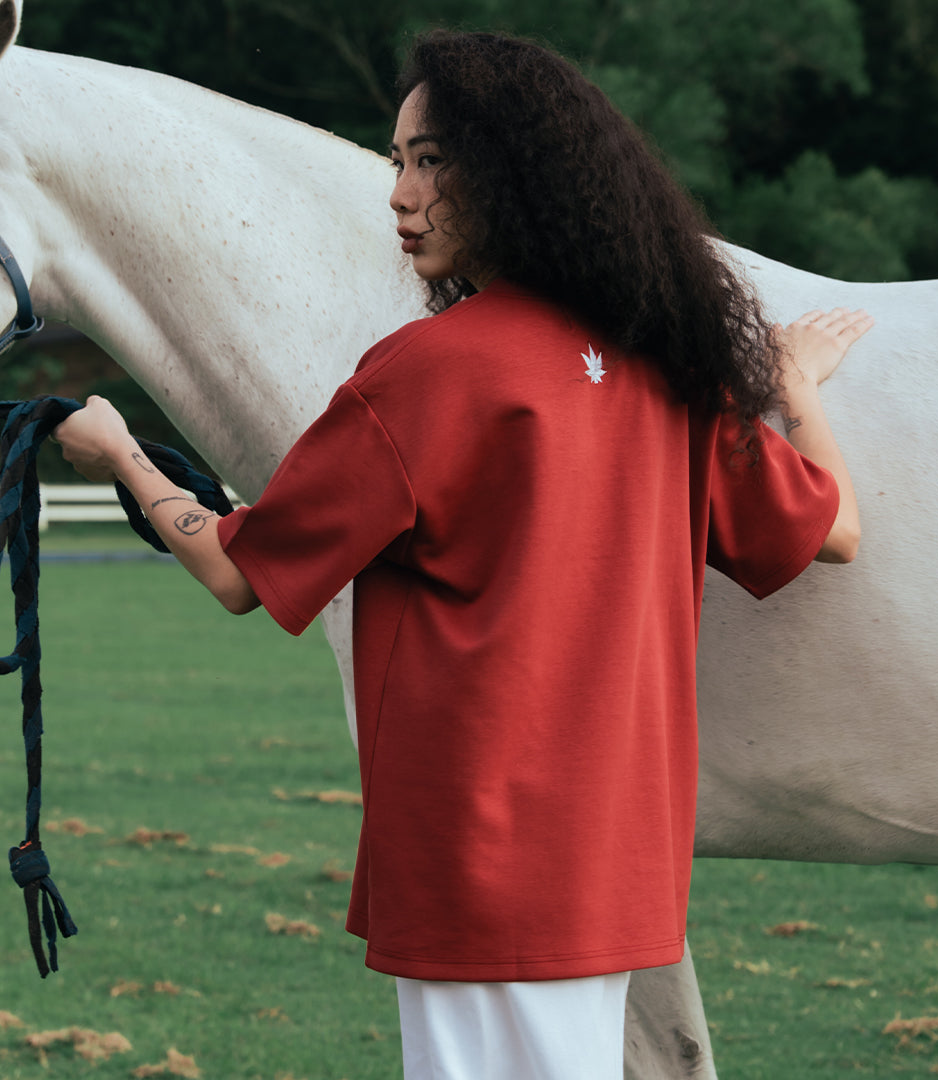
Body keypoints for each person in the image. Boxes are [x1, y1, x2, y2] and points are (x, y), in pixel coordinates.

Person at [56, 29, 870, 1080]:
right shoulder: (670, 369)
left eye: (432, 160)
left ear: (513, 172)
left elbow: (235, 572)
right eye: (398, 160)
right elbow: (834, 530)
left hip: (476, 863)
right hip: (616, 863)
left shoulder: (422, 374)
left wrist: (120, 453)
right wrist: (791, 383)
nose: (400, 195)